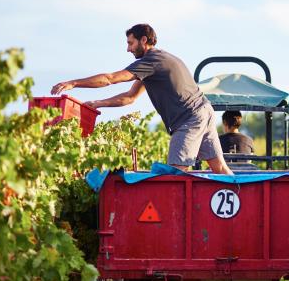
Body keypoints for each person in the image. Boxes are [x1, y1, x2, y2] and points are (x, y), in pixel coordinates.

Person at [50, 23, 232, 174]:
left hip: (189, 117)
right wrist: (100, 103)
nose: (128, 49)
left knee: (176, 173)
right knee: (220, 168)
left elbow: (110, 79)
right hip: (203, 111)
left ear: (143, 40)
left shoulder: (152, 61)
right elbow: (130, 97)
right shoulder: (157, 63)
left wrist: (74, 83)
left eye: (130, 43)